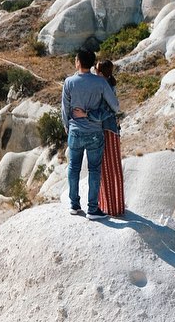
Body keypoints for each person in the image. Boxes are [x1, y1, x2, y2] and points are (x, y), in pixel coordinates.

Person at [62, 49, 121, 220]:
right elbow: (115, 107)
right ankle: (93, 209)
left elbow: (65, 109)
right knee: (94, 169)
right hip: (95, 132)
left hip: (75, 131)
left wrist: (68, 127)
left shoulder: (69, 82)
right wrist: (93, 114)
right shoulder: (100, 82)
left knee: (74, 168)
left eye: (75, 59)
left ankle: (74, 205)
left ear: (79, 62)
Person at [94, 60, 125, 217]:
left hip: (106, 129)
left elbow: (110, 108)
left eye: (96, 69)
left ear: (101, 72)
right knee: (113, 168)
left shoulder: (104, 86)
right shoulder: (107, 84)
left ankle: (110, 207)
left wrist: (90, 116)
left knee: (107, 169)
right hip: (111, 129)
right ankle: (115, 206)